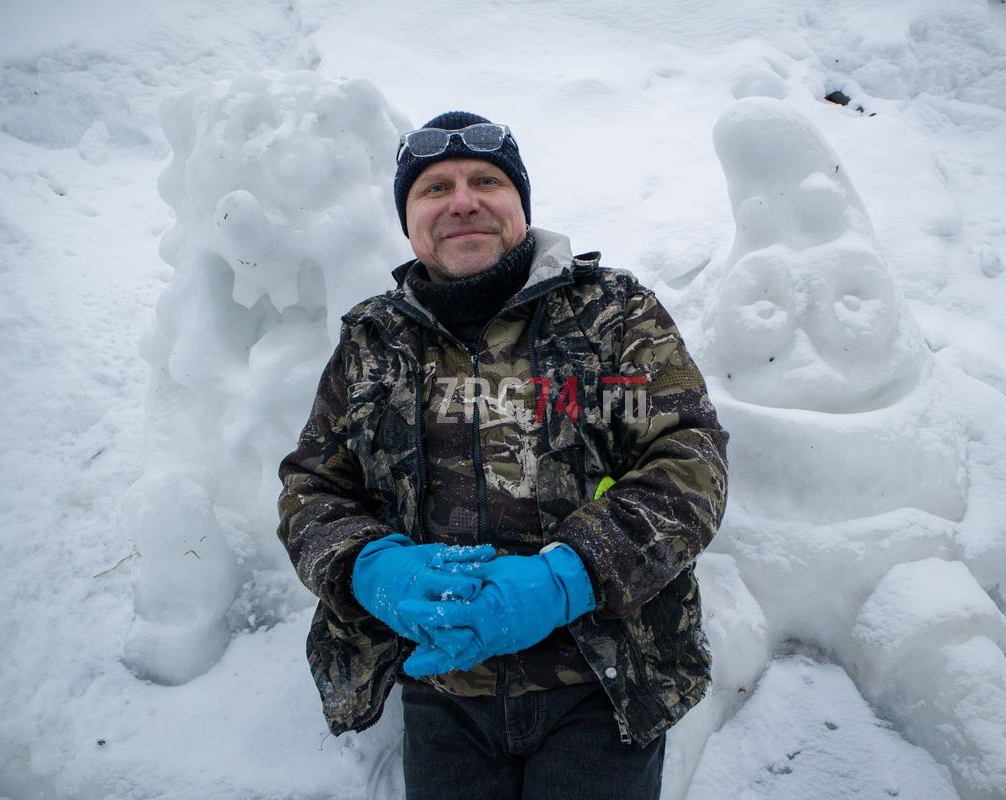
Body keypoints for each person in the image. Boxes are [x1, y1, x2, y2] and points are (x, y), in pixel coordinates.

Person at [277, 110, 729, 799]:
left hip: (604, 680)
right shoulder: (372, 341)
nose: (462, 201)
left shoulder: (612, 313)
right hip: (442, 684)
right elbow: (312, 487)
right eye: (434, 189)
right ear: (409, 220)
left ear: (519, 206)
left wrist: (570, 577)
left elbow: (690, 460)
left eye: (486, 181)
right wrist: (368, 568)